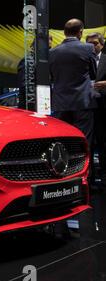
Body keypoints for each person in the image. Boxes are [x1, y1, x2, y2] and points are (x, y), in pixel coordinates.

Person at [49, 18, 97, 184]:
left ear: (64, 32)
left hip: (61, 103)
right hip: (82, 102)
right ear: (81, 31)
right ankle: (85, 179)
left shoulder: (53, 52)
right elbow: (93, 74)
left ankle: (65, 178)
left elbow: (53, 76)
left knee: (63, 143)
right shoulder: (88, 48)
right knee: (85, 142)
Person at [87, 32, 106, 184]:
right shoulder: (83, 59)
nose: (92, 46)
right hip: (86, 107)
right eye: (89, 43)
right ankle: (90, 177)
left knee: (103, 142)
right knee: (87, 143)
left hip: (103, 108)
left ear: (102, 44)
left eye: (95, 43)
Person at [17, 35, 53, 109]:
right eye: (47, 48)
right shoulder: (28, 61)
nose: (48, 50)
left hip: (40, 106)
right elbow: (26, 87)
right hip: (31, 108)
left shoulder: (41, 62)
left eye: (49, 48)